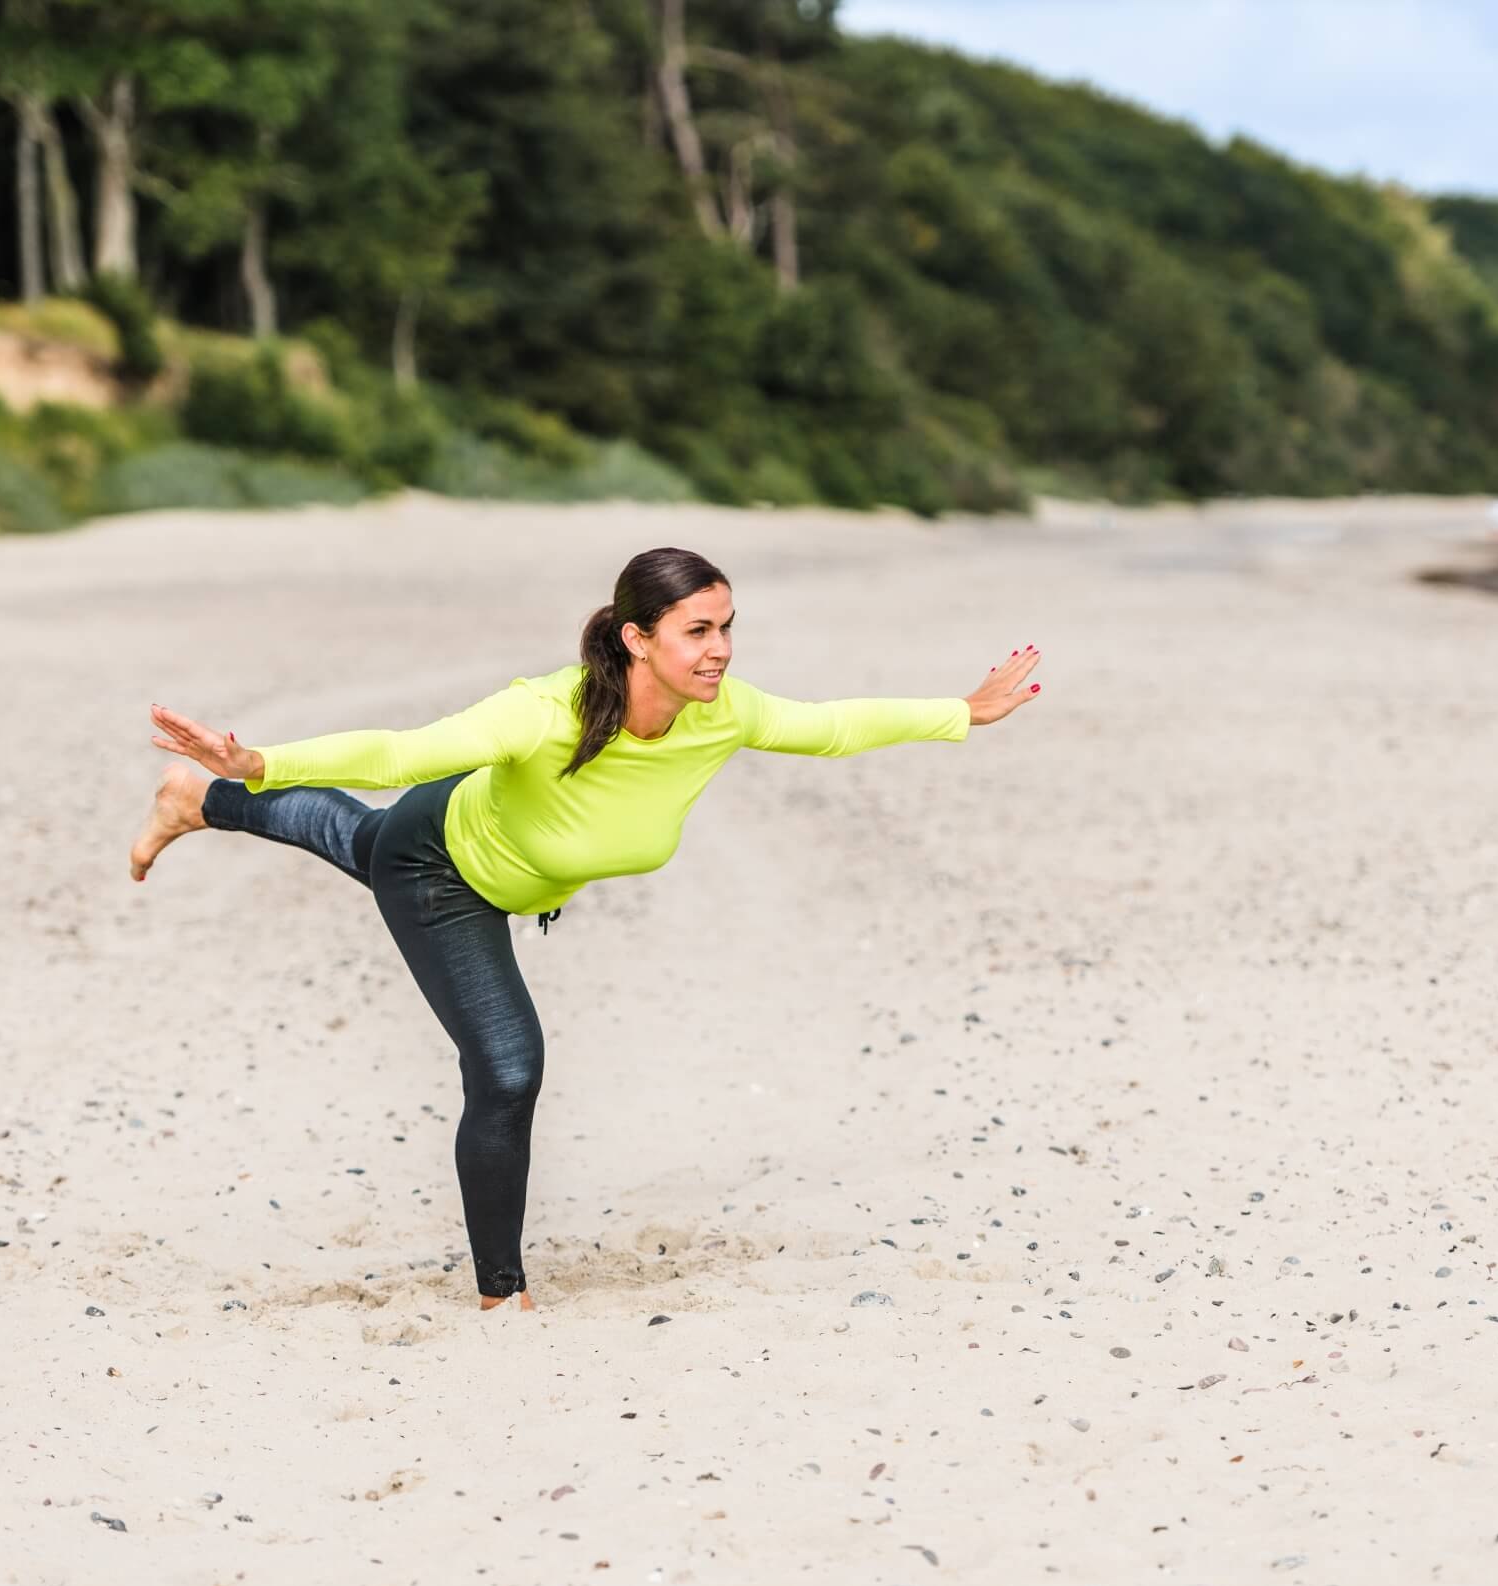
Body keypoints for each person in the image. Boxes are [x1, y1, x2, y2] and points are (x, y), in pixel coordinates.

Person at [128, 547, 1043, 1310]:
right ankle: (502, 1294)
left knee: (353, 837)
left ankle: (194, 802)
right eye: (698, 630)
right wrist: (260, 758)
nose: (721, 649)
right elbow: (402, 752)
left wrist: (963, 711)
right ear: (638, 638)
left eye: (727, 626)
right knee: (506, 1064)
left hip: (493, 854)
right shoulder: (546, 710)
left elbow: (834, 725)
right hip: (439, 866)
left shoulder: (722, 714)